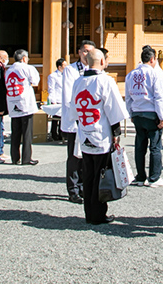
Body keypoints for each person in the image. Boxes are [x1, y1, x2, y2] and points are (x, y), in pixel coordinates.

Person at [70, 49, 129, 225]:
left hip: (85, 131)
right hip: (101, 133)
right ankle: (98, 213)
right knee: (100, 174)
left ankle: (89, 211)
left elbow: (74, 110)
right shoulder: (105, 81)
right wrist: (116, 133)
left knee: (87, 174)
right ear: (102, 61)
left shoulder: (78, 81)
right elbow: (114, 110)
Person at [125, 46, 163, 187]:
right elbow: (159, 96)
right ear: (152, 59)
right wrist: (162, 116)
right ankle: (154, 177)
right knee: (155, 146)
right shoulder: (154, 74)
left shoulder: (131, 75)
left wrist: (131, 113)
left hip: (137, 111)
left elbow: (128, 97)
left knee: (140, 146)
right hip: (151, 112)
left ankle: (140, 176)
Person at [61, 40, 96, 204]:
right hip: (76, 119)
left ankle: (83, 186)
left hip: (90, 120)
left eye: (91, 51)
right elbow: (69, 96)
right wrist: (77, 116)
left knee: (87, 156)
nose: (87, 54)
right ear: (79, 51)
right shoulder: (70, 70)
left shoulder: (94, 70)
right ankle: (73, 189)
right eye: (85, 51)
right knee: (74, 157)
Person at [5, 49, 40, 166]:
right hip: (25, 103)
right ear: (24, 58)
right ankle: (26, 158)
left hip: (12, 101)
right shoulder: (28, 68)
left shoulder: (9, 70)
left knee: (15, 132)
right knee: (26, 133)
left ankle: (15, 158)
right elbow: (35, 81)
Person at [47, 58, 67, 141]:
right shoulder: (53, 76)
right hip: (57, 98)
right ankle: (54, 134)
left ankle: (62, 133)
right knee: (55, 118)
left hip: (64, 99)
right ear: (59, 67)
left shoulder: (66, 75)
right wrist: (53, 101)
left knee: (63, 118)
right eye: (64, 65)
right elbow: (51, 89)